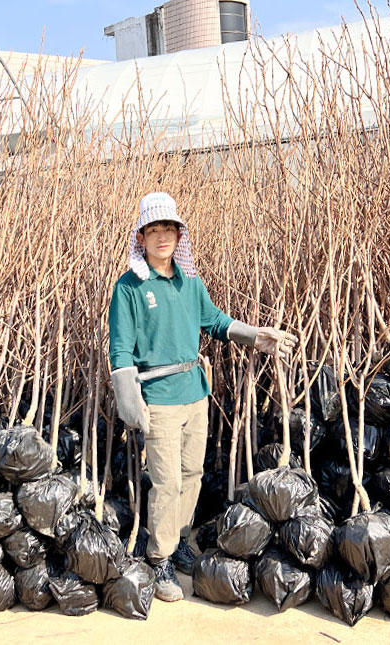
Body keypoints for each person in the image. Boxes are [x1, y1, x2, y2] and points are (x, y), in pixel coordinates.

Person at [108, 192, 297, 602]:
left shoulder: (190, 281)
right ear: (141, 237)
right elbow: (120, 348)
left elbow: (213, 321)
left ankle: (177, 543)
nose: (162, 237)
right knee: (166, 480)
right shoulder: (130, 287)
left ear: (179, 235)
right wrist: (129, 398)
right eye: (153, 230)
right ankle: (159, 558)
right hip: (157, 396)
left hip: (194, 392)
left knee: (192, 474)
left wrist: (256, 336)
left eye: (169, 230)